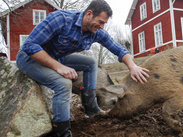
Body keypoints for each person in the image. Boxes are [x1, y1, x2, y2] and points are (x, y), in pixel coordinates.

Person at [16, 0, 149, 136]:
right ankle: (62, 132)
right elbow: (29, 46)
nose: (102, 27)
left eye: (104, 23)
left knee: (90, 63)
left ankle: (91, 109)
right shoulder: (60, 19)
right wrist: (59, 67)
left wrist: (132, 66)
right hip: (30, 58)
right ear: (89, 14)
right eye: (101, 22)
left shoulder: (95, 31)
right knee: (63, 84)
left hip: (57, 57)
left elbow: (117, 48)